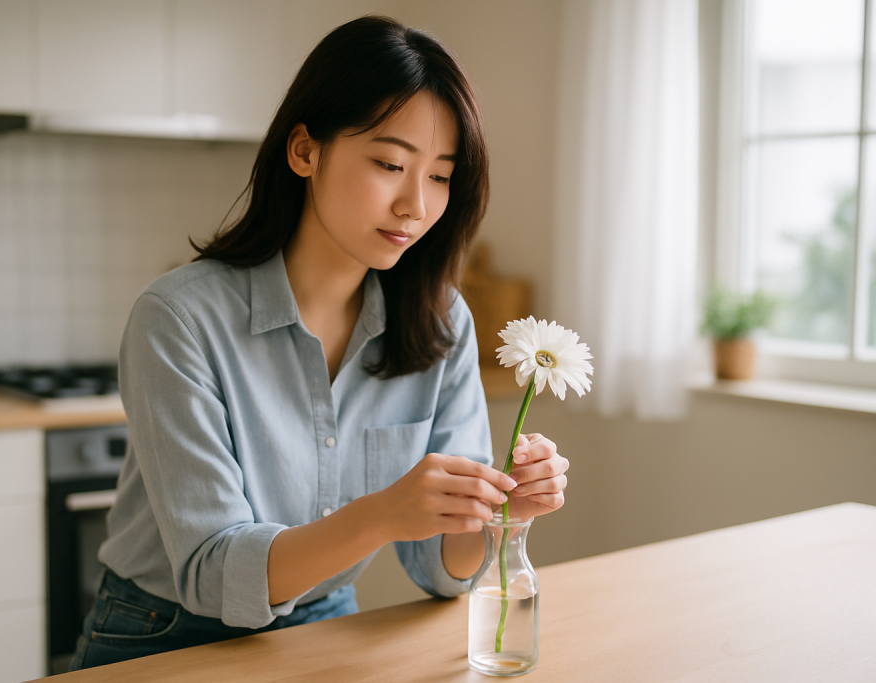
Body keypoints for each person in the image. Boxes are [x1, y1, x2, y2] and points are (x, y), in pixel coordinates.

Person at [70, 15, 569, 671]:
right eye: (390, 163)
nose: (415, 205)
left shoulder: (440, 319)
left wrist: (499, 512)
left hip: (322, 618)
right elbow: (216, 574)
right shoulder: (178, 318)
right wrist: (381, 514)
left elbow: (443, 570)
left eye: (441, 176)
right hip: (163, 633)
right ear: (305, 151)